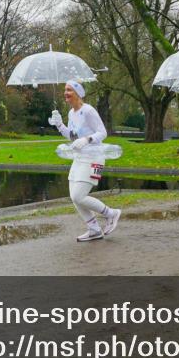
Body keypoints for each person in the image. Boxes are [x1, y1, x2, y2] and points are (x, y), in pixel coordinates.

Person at [49, 80, 121, 242]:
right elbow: (73, 137)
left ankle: (111, 213)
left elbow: (102, 133)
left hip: (94, 158)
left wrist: (87, 139)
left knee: (79, 196)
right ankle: (94, 229)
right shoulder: (71, 113)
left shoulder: (88, 110)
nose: (66, 93)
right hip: (79, 158)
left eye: (69, 90)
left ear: (78, 93)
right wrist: (59, 125)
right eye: (65, 89)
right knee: (74, 197)